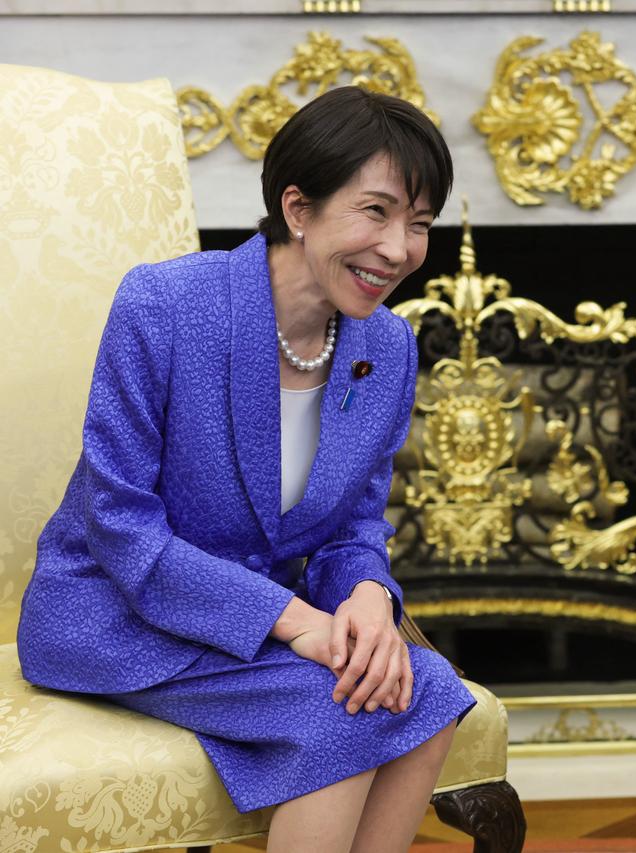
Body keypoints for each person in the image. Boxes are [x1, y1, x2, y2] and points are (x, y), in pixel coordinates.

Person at [16, 86, 476, 853]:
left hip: (262, 626)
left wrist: (366, 595)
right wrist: (302, 625)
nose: (400, 249)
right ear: (298, 209)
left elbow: (355, 523)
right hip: (116, 613)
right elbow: (120, 526)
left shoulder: (387, 346)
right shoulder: (163, 305)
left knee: (425, 689)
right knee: (342, 709)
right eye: (376, 212)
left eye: (420, 223)